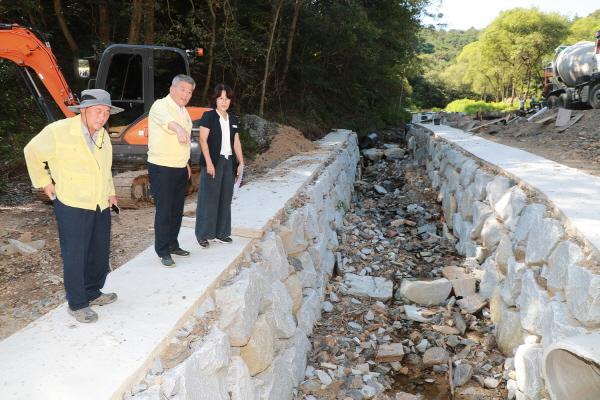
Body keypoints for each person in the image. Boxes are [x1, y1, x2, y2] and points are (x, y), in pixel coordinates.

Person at [23, 89, 123, 323]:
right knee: (76, 254)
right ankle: (77, 303)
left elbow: (105, 168)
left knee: (99, 251)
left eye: (106, 112)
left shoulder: (102, 136)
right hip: (73, 204)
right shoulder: (59, 131)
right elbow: (31, 152)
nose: (102, 117)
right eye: (98, 111)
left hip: (99, 203)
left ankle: (93, 291)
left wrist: (111, 193)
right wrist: (44, 182)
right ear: (84, 111)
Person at [147, 74, 195, 267]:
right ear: (172, 89)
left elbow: (183, 144)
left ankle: (173, 244)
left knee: (176, 210)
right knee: (165, 210)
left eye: (190, 92)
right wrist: (178, 128)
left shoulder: (184, 111)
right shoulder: (160, 105)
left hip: (179, 166)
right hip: (162, 166)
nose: (186, 94)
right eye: (183, 89)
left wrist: (186, 163)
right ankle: (163, 250)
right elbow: (169, 123)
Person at [195, 84, 244, 248]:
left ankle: (221, 233)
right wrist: (209, 162)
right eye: (221, 98)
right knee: (208, 199)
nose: (224, 101)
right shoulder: (208, 116)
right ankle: (203, 234)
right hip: (213, 161)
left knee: (225, 197)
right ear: (215, 99)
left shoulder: (234, 119)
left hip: (228, 162)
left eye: (227, 98)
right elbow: (203, 140)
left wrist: (241, 162)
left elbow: (236, 142)